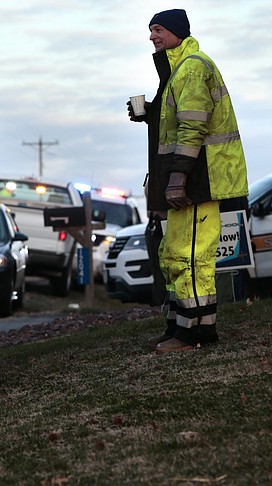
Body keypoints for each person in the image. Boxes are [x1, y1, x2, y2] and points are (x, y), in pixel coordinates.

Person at [128, 9, 248, 353]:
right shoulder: (177, 70)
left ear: (178, 31)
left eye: (159, 29)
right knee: (173, 254)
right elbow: (178, 121)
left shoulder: (193, 67)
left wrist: (178, 177)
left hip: (201, 179)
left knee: (192, 256)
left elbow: (193, 126)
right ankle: (179, 328)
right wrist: (150, 113)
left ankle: (195, 334)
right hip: (189, 178)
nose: (152, 36)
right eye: (151, 30)